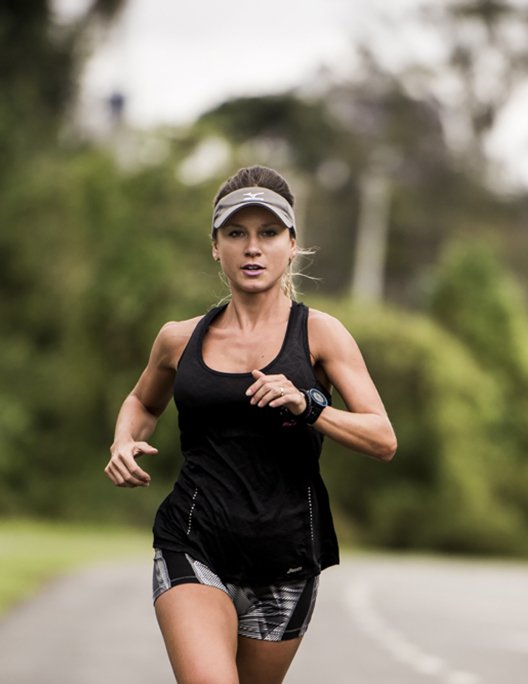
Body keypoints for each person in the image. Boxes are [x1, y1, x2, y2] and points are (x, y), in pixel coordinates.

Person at [104, 165, 397, 684]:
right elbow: (143, 403)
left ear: (292, 244)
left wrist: (308, 406)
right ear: (216, 247)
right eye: (236, 233)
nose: (252, 247)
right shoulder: (178, 339)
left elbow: (382, 437)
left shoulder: (321, 335)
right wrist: (125, 440)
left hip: (285, 559)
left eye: (268, 233)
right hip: (193, 544)